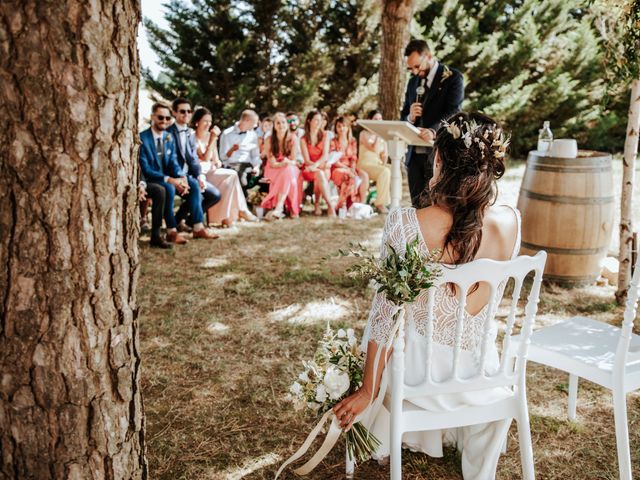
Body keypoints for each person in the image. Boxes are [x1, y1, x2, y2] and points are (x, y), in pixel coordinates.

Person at [333, 112, 518, 479]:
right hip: (482, 375)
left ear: (438, 160)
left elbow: (384, 316)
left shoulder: (406, 222)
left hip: (420, 380)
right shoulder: (512, 220)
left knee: (383, 322)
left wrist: (369, 389)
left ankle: (388, 428)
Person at [139, 103, 218, 244]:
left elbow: (173, 161)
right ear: (153, 117)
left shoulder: (169, 137)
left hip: (171, 176)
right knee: (168, 188)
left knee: (193, 184)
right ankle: (171, 231)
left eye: (167, 118)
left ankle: (198, 227)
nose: (164, 121)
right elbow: (145, 169)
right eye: (160, 117)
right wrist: (171, 179)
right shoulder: (143, 138)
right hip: (153, 178)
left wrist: (181, 177)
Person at [401, 39, 464, 207]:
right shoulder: (413, 82)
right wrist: (410, 117)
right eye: (410, 68)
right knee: (417, 204)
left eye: (417, 66)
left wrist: (433, 130)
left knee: (436, 204)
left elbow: (454, 112)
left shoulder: (453, 77)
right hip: (414, 155)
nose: (415, 72)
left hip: (438, 152)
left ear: (428, 56)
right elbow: (403, 114)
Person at [191, 108, 258, 227]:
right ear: (197, 122)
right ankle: (240, 211)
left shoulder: (210, 136)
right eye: (205, 121)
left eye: (210, 121)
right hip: (200, 173)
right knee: (231, 175)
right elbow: (205, 158)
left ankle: (226, 217)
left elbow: (216, 159)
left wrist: (217, 163)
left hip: (212, 170)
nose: (208, 124)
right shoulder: (193, 137)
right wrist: (213, 139)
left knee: (229, 180)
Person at [168, 98, 221, 234]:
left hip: (190, 175)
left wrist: (200, 175)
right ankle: (198, 227)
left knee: (214, 194)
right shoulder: (168, 133)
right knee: (195, 187)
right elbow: (169, 160)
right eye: (182, 111)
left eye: (189, 111)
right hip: (174, 176)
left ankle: (184, 221)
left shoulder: (190, 134)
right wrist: (180, 177)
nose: (186, 114)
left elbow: (193, 160)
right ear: (174, 113)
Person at [260, 112, 302, 220]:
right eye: (278, 123)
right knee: (289, 177)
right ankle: (291, 210)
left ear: (287, 124)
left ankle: (279, 207)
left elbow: (293, 159)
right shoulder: (269, 139)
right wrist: (284, 163)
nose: (281, 125)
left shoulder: (293, 138)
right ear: (274, 125)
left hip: (290, 167)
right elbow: (272, 162)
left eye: (283, 122)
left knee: (288, 172)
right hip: (273, 168)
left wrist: (287, 163)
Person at [300, 110, 336, 217]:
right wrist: (314, 166)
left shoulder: (325, 135)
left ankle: (317, 205)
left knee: (320, 174)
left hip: (321, 166)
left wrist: (316, 166)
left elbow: (325, 155)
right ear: (309, 121)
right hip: (309, 167)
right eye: (316, 120)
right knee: (319, 174)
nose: (318, 122)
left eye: (320, 120)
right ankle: (330, 206)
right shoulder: (303, 139)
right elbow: (306, 160)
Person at [330, 116, 368, 210]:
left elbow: (354, 157)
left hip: (351, 168)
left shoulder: (352, 141)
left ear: (348, 128)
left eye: (344, 126)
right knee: (348, 176)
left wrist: (352, 168)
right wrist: (348, 169)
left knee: (364, 175)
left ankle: (361, 204)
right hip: (337, 168)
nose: (342, 129)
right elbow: (334, 160)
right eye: (339, 126)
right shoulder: (333, 142)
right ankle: (343, 205)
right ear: (336, 128)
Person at [218, 109, 261, 190]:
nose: (255, 126)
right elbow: (223, 157)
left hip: (248, 166)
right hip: (232, 165)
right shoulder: (227, 134)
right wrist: (231, 150)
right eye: (254, 123)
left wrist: (256, 167)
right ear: (246, 121)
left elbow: (255, 155)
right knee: (240, 176)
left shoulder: (253, 135)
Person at [358, 110, 390, 213]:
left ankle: (392, 202)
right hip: (364, 165)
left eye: (380, 119)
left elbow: (384, 155)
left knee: (392, 170)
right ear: (369, 120)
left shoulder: (382, 137)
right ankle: (380, 204)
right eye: (376, 119)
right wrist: (378, 134)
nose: (379, 121)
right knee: (384, 172)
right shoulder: (363, 134)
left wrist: (384, 164)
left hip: (376, 165)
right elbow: (374, 149)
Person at [138, 176, 171, 249]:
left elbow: (141, 171)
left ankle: (156, 235)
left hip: (138, 181)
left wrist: (141, 185)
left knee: (160, 190)